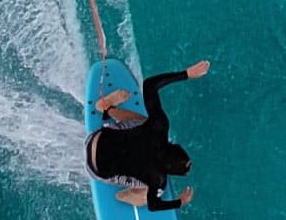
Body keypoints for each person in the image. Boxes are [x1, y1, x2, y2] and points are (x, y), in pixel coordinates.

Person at [85, 59, 208, 210]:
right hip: (94, 168)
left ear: (175, 145)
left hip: (96, 137)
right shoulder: (157, 179)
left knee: (143, 122)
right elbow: (153, 205)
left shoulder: (159, 126)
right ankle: (125, 196)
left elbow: (149, 85)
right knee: (156, 193)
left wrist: (187, 74)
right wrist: (180, 202)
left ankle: (107, 109)